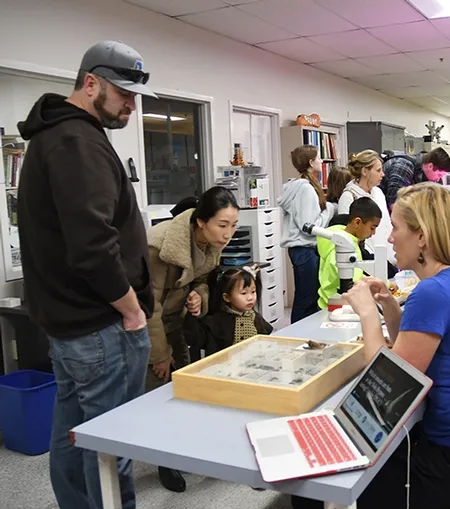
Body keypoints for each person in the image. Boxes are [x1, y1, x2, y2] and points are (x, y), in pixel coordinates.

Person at [294, 183, 450, 509]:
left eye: (396, 227)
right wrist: (388, 305)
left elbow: (385, 392)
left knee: (315, 482)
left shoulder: (432, 294)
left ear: (422, 236)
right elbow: (412, 352)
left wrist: (368, 314)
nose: (389, 237)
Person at [16, 41, 156, 509]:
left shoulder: (55, 135)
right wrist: (133, 311)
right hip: (101, 326)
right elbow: (92, 246)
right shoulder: (77, 141)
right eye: (124, 94)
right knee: (110, 445)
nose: (131, 107)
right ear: (90, 82)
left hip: (73, 324)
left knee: (74, 433)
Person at [146, 186, 239, 492]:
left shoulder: (210, 243)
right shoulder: (158, 247)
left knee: (183, 387)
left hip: (175, 320)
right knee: (158, 395)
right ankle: (164, 460)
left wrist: (198, 297)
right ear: (201, 221)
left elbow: (200, 280)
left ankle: (184, 449)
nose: (228, 234)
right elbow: (149, 307)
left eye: (233, 225)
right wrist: (159, 354)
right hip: (146, 325)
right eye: (222, 225)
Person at [278, 145, 336, 323]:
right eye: (318, 158)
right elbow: (308, 226)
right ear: (311, 163)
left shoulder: (301, 187)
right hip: (304, 249)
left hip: (302, 249)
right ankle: (297, 338)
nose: (321, 161)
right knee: (306, 299)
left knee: (307, 297)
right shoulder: (306, 189)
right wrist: (329, 210)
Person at [183, 266, 273, 354]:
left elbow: (264, 338)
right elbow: (195, 338)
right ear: (226, 297)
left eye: (253, 292)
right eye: (244, 293)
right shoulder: (217, 320)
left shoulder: (255, 317)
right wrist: (192, 313)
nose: (250, 297)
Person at [338, 150, 396, 276]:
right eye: (378, 170)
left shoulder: (379, 193)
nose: (383, 174)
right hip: (367, 261)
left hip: (387, 257)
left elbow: (386, 224)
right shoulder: (349, 196)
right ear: (365, 171)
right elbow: (347, 235)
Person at [317, 197, 382, 309]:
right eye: (372, 228)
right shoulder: (342, 245)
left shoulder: (346, 239)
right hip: (334, 305)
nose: (374, 233)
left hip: (334, 302)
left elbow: (355, 272)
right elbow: (351, 279)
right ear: (357, 222)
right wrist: (380, 285)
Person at [381, 147, 450, 209]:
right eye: (439, 175)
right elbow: (394, 203)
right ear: (430, 166)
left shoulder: (427, 175)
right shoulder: (404, 166)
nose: (438, 179)